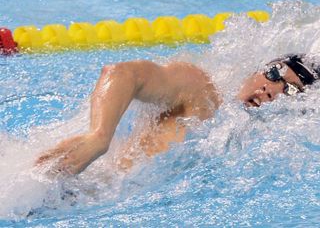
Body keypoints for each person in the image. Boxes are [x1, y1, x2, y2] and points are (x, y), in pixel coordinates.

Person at [35, 53, 320, 175]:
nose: (272, 90)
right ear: (257, 68)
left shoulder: (258, 148)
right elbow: (122, 73)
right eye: (274, 73)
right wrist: (99, 136)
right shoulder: (199, 90)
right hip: (72, 185)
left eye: (291, 91)